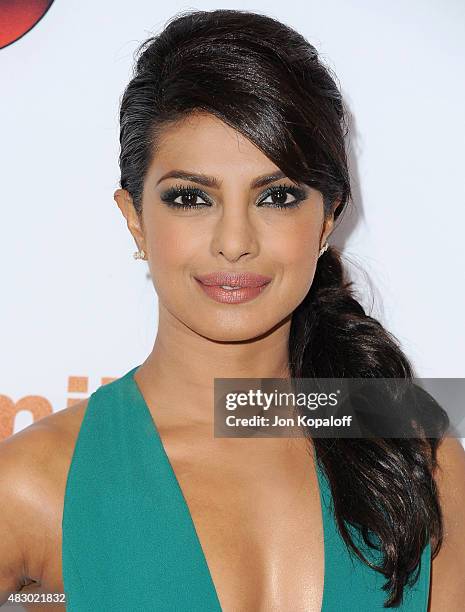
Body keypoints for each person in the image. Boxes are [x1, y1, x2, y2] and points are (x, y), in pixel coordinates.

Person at [1, 8, 464, 612]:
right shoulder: (35, 486)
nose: (235, 240)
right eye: (191, 198)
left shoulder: (414, 460)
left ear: (327, 219)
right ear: (135, 218)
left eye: (277, 196)